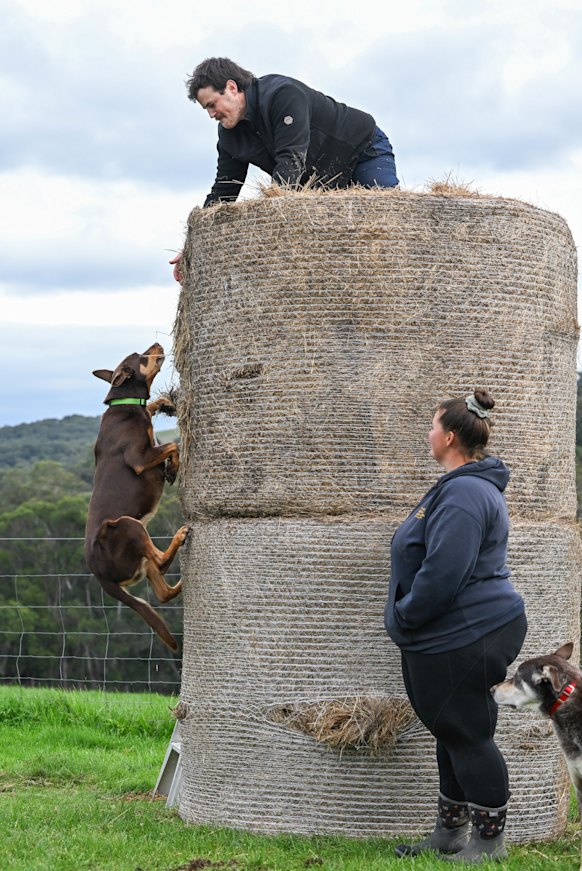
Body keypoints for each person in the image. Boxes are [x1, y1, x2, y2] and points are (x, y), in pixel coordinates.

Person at [384, 389, 527, 864]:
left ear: (448, 436)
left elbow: (444, 573)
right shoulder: (463, 485)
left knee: (467, 732)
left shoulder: (466, 493)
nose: (427, 433)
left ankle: (488, 843)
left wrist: (405, 616)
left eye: (431, 425)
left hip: (468, 631)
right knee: (451, 728)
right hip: (460, 629)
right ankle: (449, 834)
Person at [169, 57, 399, 282]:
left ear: (231, 87)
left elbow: (290, 161)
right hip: (323, 181)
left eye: (212, 105)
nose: (211, 115)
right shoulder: (229, 133)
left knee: (384, 223)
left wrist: (268, 225)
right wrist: (192, 246)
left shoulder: (282, 95)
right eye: (205, 109)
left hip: (363, 152)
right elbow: (225, 189)